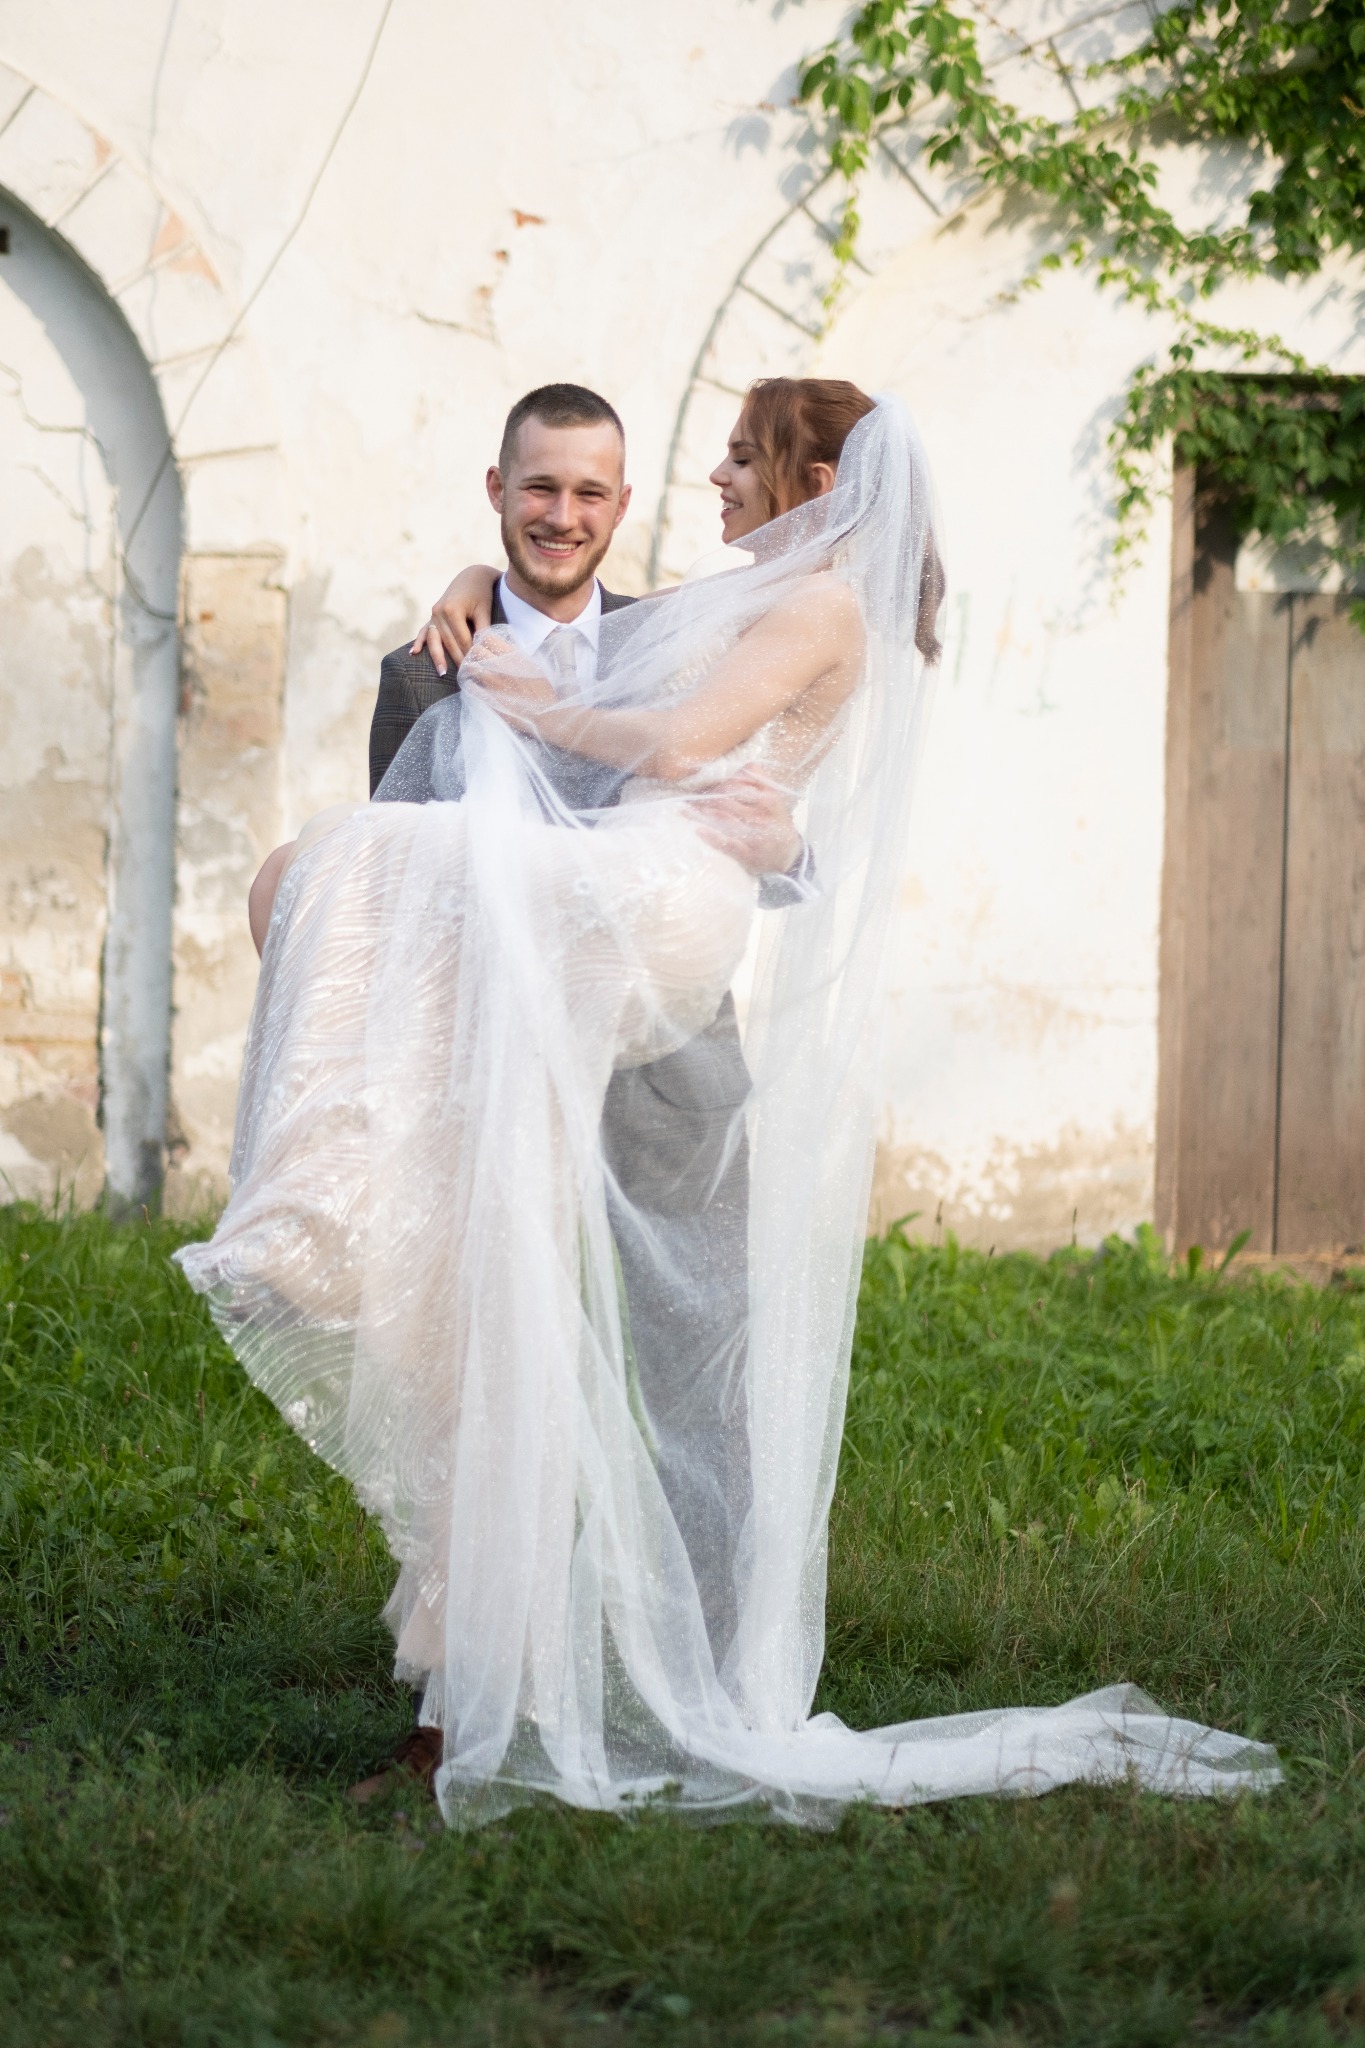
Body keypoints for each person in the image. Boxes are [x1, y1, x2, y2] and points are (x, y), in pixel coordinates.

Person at [179, 379, 1278, 1826]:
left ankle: (694, 1669)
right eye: (535, 493)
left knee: (696, 1367)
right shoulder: (447, 647)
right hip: (501, 1016)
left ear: (638, 504)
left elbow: (726, 760)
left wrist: (735, 814)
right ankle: (464, 1681)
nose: (569, 513)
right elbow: (434, 840)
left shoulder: (691, 623)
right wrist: (473, 613)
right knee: (478, 1325)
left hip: (654, 1019)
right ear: (497, 494)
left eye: (606, 489)